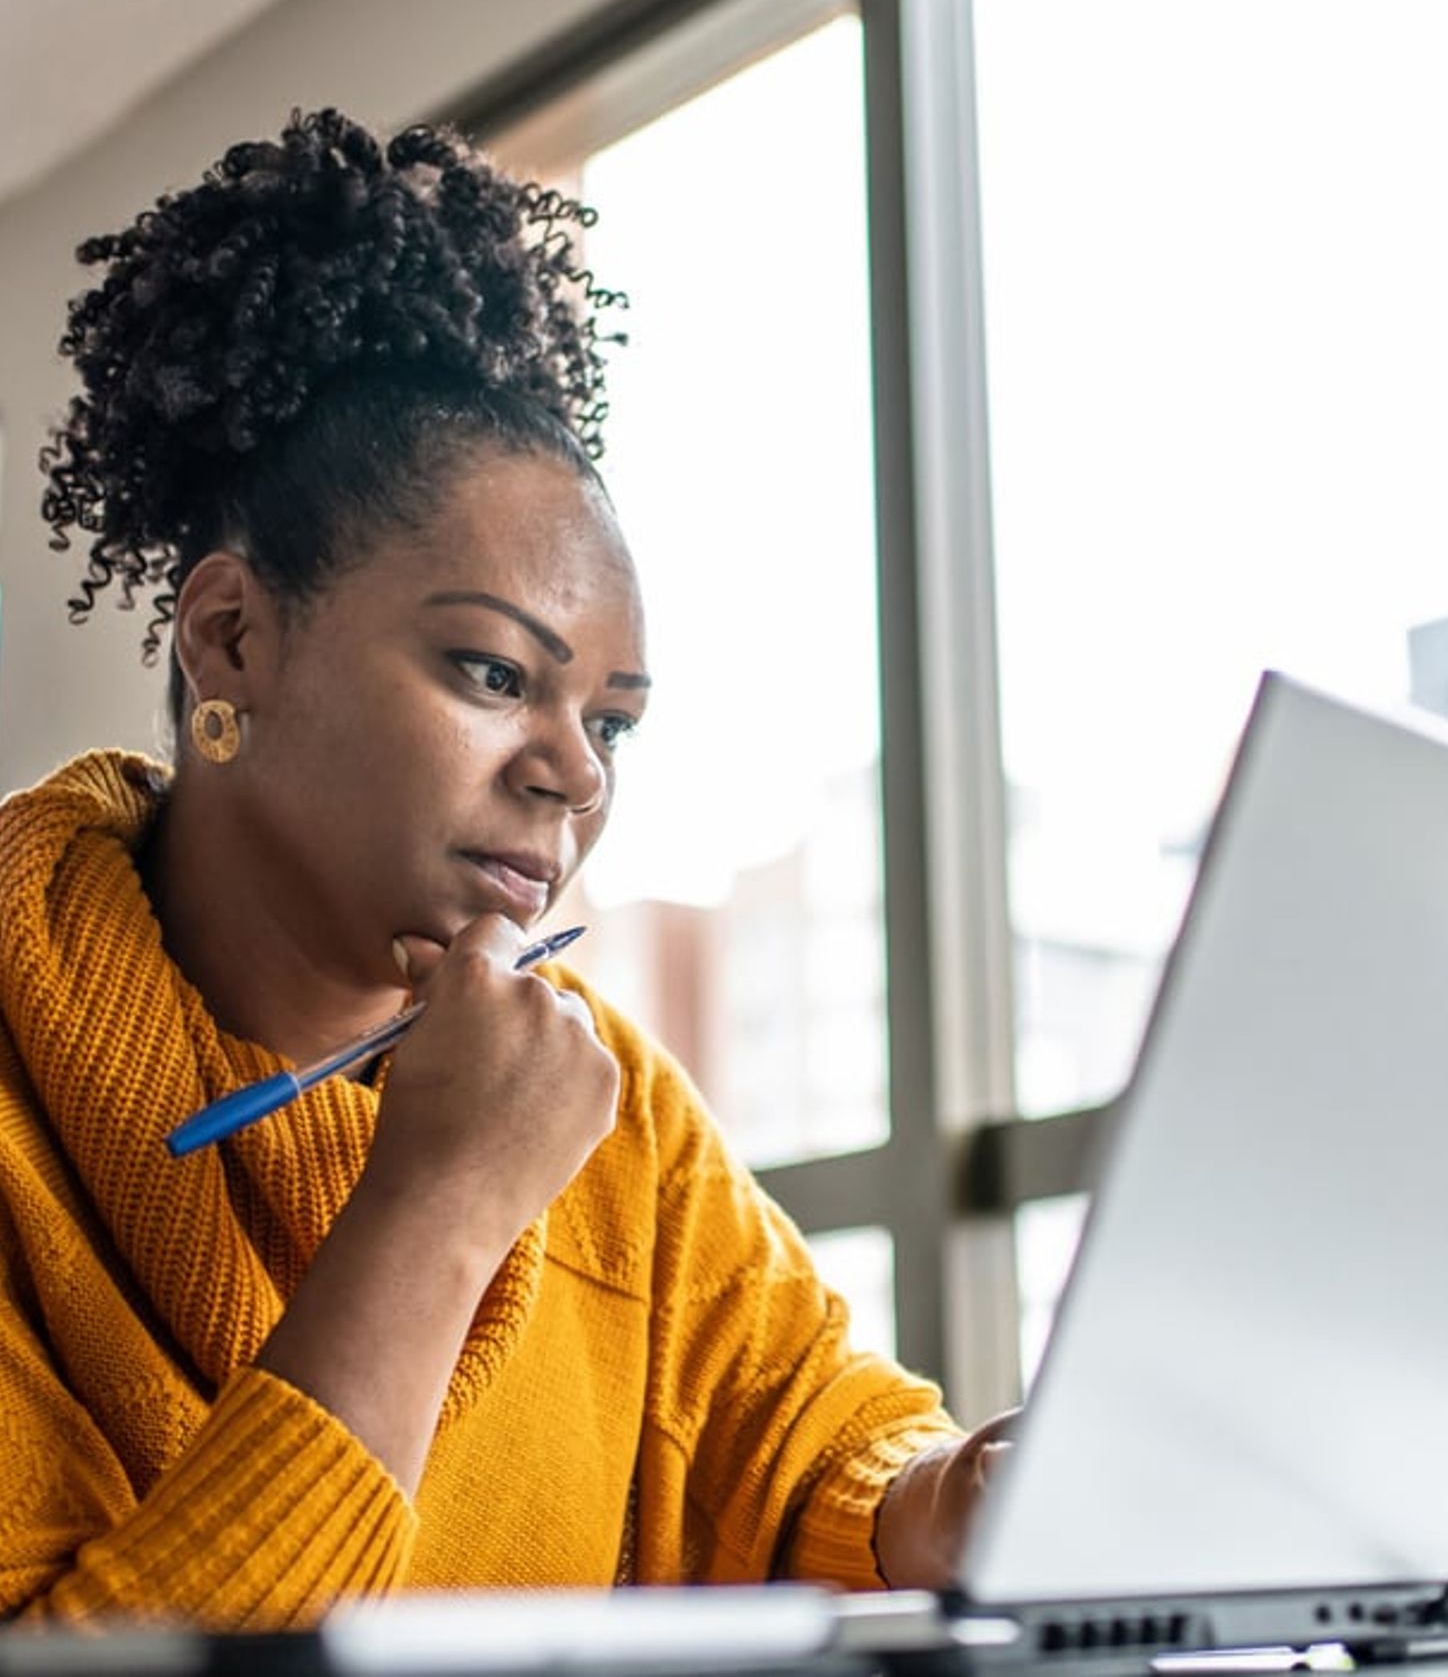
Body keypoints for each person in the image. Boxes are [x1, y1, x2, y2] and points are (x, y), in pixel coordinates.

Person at [0, 107, 1010, 1631]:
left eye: (610, 720)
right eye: (491, 673)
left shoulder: (618, 1118)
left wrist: (958, 1500)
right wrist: (439, 1209)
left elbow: (821, 1459)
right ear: (231, 640)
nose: (576, 770)